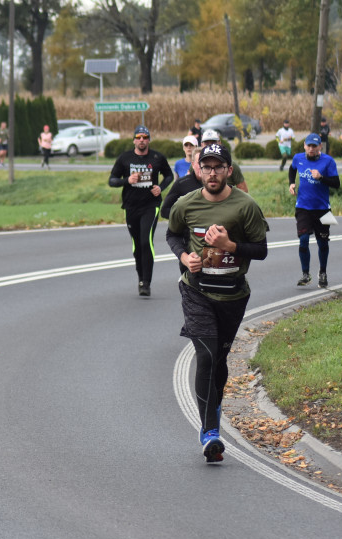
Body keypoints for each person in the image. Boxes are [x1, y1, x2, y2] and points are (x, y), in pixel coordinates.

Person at [166, 142, 269, 463]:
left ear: (228, 171)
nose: (212, 172)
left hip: (233, 293)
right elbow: (173, 235)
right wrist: (185, 258)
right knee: (206, 355)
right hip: (196, 290)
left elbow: (261, 250)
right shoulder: (186, 204)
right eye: (206, 166)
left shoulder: (245, 206)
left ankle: (214, 405)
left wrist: (229, 244)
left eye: (218, 167)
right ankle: (210, 431)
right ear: (198, 170)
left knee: (220, 359)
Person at [108, 125, 174, 297]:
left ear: (149, 140)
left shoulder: (157, 157)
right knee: (137, 245)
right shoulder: (125, 158)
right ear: (134, 140)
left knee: (146, 242)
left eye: (145, 137)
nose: (142, 140)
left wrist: (161, 187)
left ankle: (147, 282)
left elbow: (169, 175)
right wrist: (127, 180)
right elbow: (112, 180)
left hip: (151, 206)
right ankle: (141, 279)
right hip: (131, 206)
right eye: (139, 137)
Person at [289, 133, 340, 288]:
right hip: (303, 207)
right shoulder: (298, 158)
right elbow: (292, 170)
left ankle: (322, 272)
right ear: (304, 145)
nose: (311, 149)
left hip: (322, 209)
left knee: (322, 243)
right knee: (303, 240)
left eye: (314, 146)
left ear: (320, 147)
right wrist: (291, 183)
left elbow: (336, 184)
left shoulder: (328, 161)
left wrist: (321, 178)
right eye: (308, 145)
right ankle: (306, 274)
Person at [161, 145, 203, 220]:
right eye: (199, 162)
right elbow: (165, 210)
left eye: (205, 162)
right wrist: (185, 217)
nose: (202, 165)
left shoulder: (216, 184)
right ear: (193, 164)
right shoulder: (181, 183)